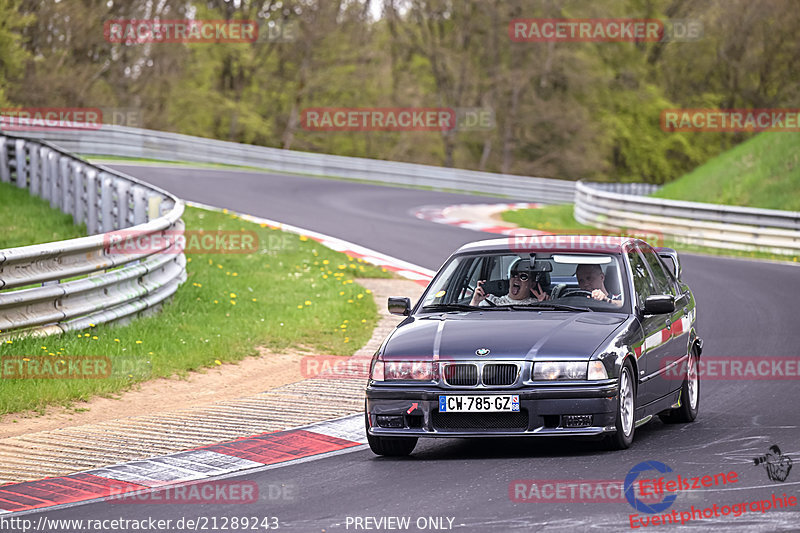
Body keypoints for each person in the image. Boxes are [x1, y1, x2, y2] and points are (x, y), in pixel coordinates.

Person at [470, 260, 549, 306]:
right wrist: (475, 301)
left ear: (532, 284)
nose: (516, 278)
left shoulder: (537, 305)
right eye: (513, 275)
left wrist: (545, 306)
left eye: (523, 276)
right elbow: (470, 324)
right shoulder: (490, 301)